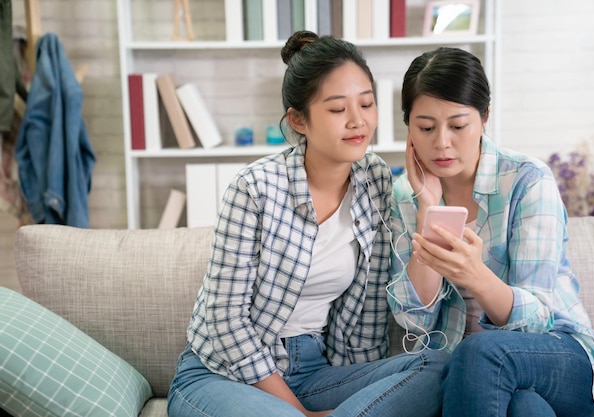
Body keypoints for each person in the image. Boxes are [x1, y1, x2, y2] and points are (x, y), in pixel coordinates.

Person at [167, 31, 448, 417]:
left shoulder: (375, 179)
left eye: (366, 104)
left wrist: (427, 204)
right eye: (337, 110)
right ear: (299, 120)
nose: (358, 121)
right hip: (226, 375)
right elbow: (224, 319)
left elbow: (368, 312)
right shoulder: (255, 188)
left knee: (436, 365)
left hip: (316, 370)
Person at [387, 46, 594, 417]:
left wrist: (475, 275)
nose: (442, 143)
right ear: (409, 128)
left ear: (484, 118)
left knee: (482, 351)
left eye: (458, 125)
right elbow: (415, 322)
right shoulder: (406, 195)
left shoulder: (527, 180)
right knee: (524, 407)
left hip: (558, 356)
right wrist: (427, 210)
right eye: (426, 127)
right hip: (475, 376)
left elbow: (538, 319)